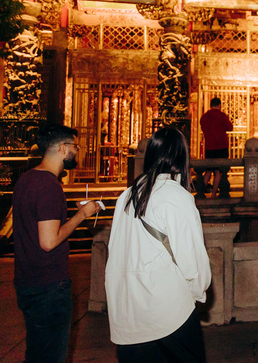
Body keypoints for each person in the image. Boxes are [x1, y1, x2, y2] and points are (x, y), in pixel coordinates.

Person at [106, 127, 211, 363]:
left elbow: (116, 249)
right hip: (168, 313)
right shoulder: (176, 196)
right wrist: (197, 292)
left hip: (126, 311)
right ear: (182, 158)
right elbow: (191, 258)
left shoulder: (127, 195)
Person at [13, 124, 102, 363]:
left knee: (36, 353)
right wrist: (82, 216)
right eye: (75, 146)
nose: (77, 151)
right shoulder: (50, 187)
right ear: (63, 149)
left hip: (27, 281)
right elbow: (49, 241)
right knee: (52, 356)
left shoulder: (26, 179)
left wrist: (69, 215)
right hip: (48, 286)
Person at [199, 97, 233, 198]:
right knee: (218, 171)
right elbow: (230, 127)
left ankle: (201, 193)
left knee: (208, 171)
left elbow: (203, 128)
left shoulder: (204, 117)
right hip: (221, 146)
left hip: (209, 147)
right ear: (219, 105)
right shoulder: (222, 116)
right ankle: (213, 194)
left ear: (210, 105)